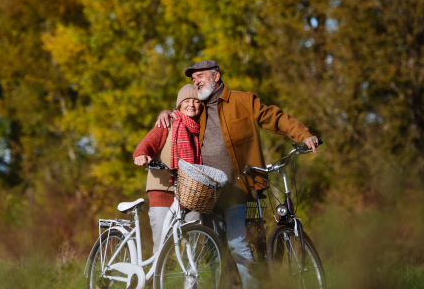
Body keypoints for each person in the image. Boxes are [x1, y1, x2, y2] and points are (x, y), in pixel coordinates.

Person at [156, 60, 320, 289]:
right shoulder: (198, 110)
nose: (196, 82)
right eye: (194, 80)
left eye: (200, 76)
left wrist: (303, 134)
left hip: (237, 188)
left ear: (216, 76)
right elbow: (179, 114)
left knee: (237, 244)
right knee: (214, 249)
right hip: (207, 193)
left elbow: (275, 117)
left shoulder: (243, 101)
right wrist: (166, 113)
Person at [133, 84, 203, 255]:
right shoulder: (167, 123)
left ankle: (190, 279)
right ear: (179, 105)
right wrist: (141, 154)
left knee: (193, 239)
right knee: (162, 243)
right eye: (187, 101)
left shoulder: (203, 128)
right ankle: (157, 280)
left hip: (191, 190)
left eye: (196, 101)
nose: (191, 105)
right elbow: (148, 143)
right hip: (162, 189)